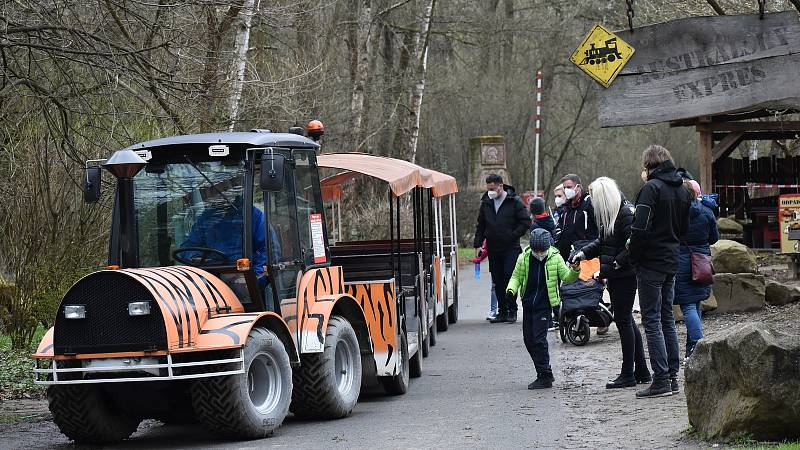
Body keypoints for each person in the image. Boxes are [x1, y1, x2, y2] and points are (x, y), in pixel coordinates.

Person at [573, 177, 652, 388]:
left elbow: (630, 246)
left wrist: (612, 266)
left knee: (624, 321)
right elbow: (604, 242)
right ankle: (641, 371)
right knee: (625, 320)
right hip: (618, 274)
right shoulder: (613, 215)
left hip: (624, 275)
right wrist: (584, 253)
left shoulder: (625, 214)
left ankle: (628, 373)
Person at [628, 145, 693, 398]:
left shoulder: (650, 189)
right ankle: (673, 377)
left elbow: (640, 228)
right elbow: (685, 228)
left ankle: (662, 379)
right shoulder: (683, 190)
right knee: (667, 318)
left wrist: (634, 257)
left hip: (651, 262)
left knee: (652, 320)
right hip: (671, 260)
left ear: (648, 165)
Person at [506, 228, 581, 389]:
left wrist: (575, 270)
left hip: (545, 305)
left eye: (542, 250)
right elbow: (516, 277)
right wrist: (511, 290)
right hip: (528, 305)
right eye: (536, 250)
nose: (539, 253)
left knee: (539, 339)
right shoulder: (524, 258)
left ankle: (545, 374)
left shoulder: (555, 258)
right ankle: (543, 370)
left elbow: (566, 278)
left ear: (548, 247)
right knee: (528, 340)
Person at [473, 174, 531, 324]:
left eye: (492, 188)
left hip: (511, 247)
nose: (490, 191)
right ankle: (502, 311)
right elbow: (481, 225)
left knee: (509, 278)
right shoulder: (486, 202)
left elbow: (525, 222)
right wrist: (478, 244)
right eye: (488, 188)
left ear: (500, 186)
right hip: (493, 248)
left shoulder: (514, 201)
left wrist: (513, 235)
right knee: (497, 281)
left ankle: (512, 310)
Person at [674, 179, 718, 360]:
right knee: (696, 304)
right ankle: (691, 351)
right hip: (701, 263)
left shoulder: (675, 214)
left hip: (681, 262)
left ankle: (699, 348)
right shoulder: (707, 212)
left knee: (689, 306)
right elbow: (714, 238)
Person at [555, 174, 598, 262]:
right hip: (565, 256)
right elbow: (560, 227)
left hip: (584, 256)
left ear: (578, 187)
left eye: (569, 187)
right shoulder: (566, 207)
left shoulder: (589, 203)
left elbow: (600, 228)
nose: (567, 190)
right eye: (565, 187)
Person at [472, 240, 499, 320]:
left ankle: (508, 309)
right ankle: (493, 311)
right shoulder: (490, 233)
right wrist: (479, 258)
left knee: (507, 286)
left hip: (508, 262)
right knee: (494, 287)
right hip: (495, 264)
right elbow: (486, 248)